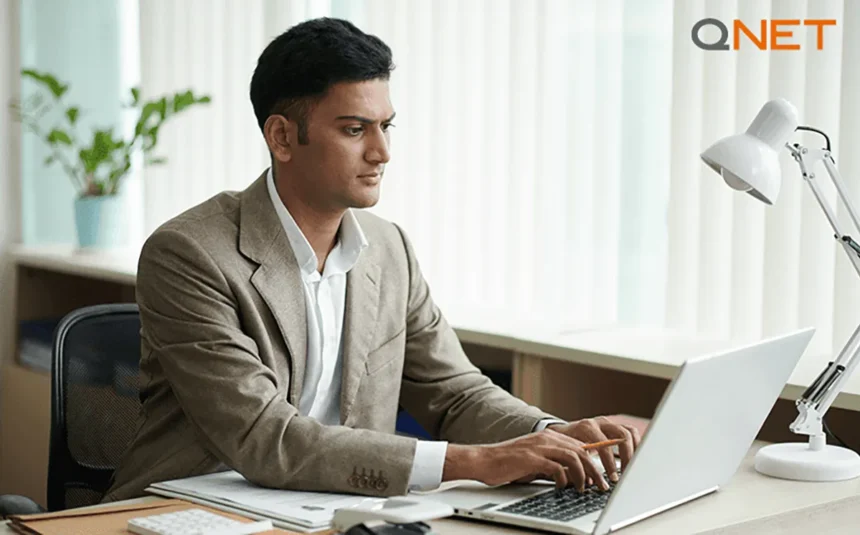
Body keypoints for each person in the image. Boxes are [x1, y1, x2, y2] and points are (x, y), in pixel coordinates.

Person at [105, 17, 640, 502]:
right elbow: (264, 437)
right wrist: (474, 462)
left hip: (338, 506)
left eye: (386, 127)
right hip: (191, 509)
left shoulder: (389, 249)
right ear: (282, 137)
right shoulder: (189, 253)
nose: (382, 152)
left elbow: (454, 393)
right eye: (355, 129)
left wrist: (551, 436)